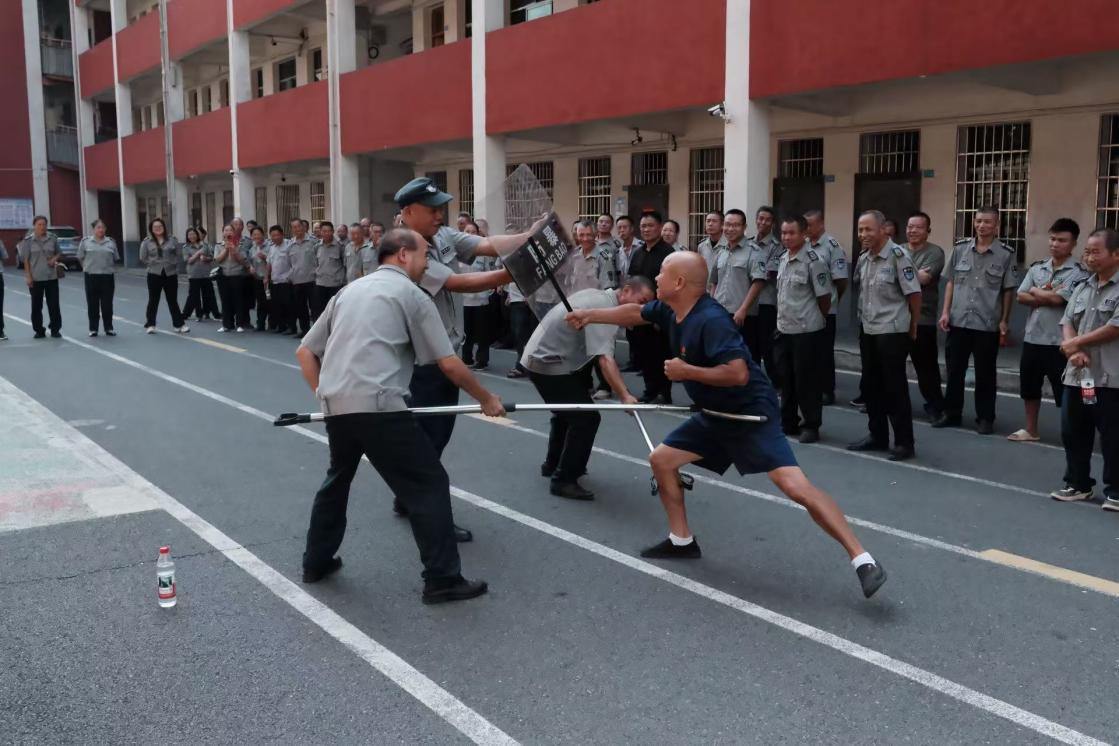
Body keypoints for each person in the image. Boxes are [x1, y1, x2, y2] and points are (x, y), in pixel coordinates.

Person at [566, 252, 887, 598]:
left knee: (794, 486)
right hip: (713, 414)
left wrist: (687, 372)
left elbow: (738, 373)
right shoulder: (670, 308)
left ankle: (864, 560)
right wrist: (589, 315)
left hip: (750, 415)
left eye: (661, 273)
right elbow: (634, 312)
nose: (654, 278)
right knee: (661, 460)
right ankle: (682, 540)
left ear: (678, 283)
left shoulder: (711, 320)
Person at [296, 228, 504, 603]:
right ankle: (442, 578)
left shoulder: (349, 290)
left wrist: (323, 395)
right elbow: (448, 363)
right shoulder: (412, 293)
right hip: (379, 407)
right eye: (425, 255)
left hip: (337, 406)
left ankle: (316, 561)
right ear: (404, 255)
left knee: (338, 479)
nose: (428, 263)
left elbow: (305, 353)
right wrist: (487, 398)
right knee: (429, 484)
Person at [395, 176, 540, 542]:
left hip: (447, 351)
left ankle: (408, 494)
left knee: (434, 438)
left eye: (442, 207)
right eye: (432, 210)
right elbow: (459, 284)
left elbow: (486, 244)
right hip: (424, 362)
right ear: (408, 212)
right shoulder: (406, 250)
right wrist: (517, 270)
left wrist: (530, 237)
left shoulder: (441, 236)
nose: (440, 215)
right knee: (430, 438)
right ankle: (427, 513)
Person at [525, 277, 656, 499]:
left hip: (546, 358)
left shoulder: (600, 296)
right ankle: (564, 479)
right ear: (625, 291)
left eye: (645, 306)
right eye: (640, 301)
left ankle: (553, 464)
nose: (640, 309)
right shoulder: (604, 309)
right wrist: (625, 395)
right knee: (586, 418)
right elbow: (605, 359)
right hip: (548, 361)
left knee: (567, 412)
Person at [1051, 227, 1119, 511]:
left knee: (1113, 435)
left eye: (1096, 251)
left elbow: (1115, 326)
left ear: (1116, 254)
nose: (1089, 257)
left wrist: (1075, 343)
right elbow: (1067, 320)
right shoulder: (1082, 286)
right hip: (1081, 377)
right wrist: (1074, 349)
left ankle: (1116, 490)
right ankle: (1078, 483)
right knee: (1074, 430)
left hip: (1110, 378)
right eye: (1087, 251)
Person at [934, 207, 1019, 434]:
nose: (983, 226)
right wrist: (945, 312)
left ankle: (985, 418)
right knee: (954, 371)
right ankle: (951, 413)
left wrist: (1004, 320)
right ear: (974, 222)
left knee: (985, 373)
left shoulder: (1005, 253)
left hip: (987, 324)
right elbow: (950, 282)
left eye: (988, 222)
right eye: (979, 221)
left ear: (997, 226)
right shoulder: (961, 249)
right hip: (958, 320)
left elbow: (1008, 290)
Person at [846, 211, 922, 461]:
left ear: (882, 230)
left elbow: (914, 294)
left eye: (868, 229)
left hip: (892, 330)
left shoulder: (898, 256)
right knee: (871, 386)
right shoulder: (864, 258)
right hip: (868, 328)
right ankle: (877, 436)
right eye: (860, 230)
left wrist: (913, 326)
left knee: (894, 388)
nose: (863, 235)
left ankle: (904, 442)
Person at [1010, 218, 1088, 442]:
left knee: (1067, 391)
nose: (1055, 244)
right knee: (1030, 388)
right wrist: (1044, 294)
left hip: (1061, 342)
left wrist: (1038, 292)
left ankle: (1073, 434)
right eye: (1053, 239)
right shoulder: (1037, 267)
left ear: (1073, 243)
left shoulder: (1079, 272)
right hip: (1034, 338)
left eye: (1062, 240)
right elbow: (1021, 296)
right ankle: (1031, 429)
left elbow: (1058, 300)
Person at [775, 214, 832, 443]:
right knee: (786, 380)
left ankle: (811, 425)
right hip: (785, 328)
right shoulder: (783, 258)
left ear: (804, 234)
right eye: (784, 233)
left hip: (807, 330)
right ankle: (788, 421)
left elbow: (824, 296)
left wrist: (817, 319)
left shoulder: (813, 260)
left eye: (792, 233)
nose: (787, 237)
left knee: (807, 382)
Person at [899, 212, 946, 420]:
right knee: (892, 366)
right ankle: (894, 404)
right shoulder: (897, 250)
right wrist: (911, 273)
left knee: (926, 367)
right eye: (910, 226)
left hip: (922, 319)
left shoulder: (935, 252)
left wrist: (901, 273)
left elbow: (923, 279)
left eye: (918, 227)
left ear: (928, 230)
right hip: (897, 318)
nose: (913, 231)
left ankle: (935, 406)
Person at [628, 212, 676, 403]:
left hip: (660, 311)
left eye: (650, 226)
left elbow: (672, 285)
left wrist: (663, 313)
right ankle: (650, 390)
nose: (646, 230)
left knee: (662, 352)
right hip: (639, 311)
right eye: (643, 226)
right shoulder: (638, 252)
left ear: (659, 227)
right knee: (644, 352)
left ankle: (665, 391)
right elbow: (631, 281)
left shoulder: (668, 254)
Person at [804, 210, 848, 405]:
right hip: (806, 309)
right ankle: (811, 387)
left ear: (821, 224)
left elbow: (841, 280)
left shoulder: (832, 246)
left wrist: (832, 300)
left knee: (824, 352)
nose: (806, 229)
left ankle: (826, 390)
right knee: (808, 352)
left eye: (810, 225)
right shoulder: (804, 245)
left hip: (825, 309)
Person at [711, 209, 766, 364]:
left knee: (746, 357)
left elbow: (758, 282)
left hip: (743, 316)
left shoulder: (754, 252)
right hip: (721, 313)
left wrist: (743, 309)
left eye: (736, 225)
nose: (730, 229)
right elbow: (714, 282)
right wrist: (712, 306)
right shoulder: (721, 252)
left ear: (744, 227)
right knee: (723, 356)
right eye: (727, 225)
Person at [139, 218, 187, 334]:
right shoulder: (147, 242)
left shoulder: (172, 240)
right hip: (154, 273)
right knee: (153, 300)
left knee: (172, 300)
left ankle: (179, 324)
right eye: (155, 227)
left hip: (170, 273)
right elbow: (143, 257)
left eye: (160, 226)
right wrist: (152, 264)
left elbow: (179, 254)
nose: (158, 228)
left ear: (164, 227)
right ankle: (150, 324)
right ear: (151, 229)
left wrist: (172, 263)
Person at [460, 222, 497, 371]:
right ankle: (466, 358)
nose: (470, 234)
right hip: (464, 299)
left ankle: (482, 360)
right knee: (466, 332)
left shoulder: (483, 254)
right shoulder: (458, 253)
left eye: (473, 231)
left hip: (481, 299)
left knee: (482, 333)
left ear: (478, 234)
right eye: (467, 231)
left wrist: (487, 291)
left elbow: (490, 272)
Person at [18, 216, 63, 338]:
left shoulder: (52, 239)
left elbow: (59, 253)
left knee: (54, 305)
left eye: (44, 224)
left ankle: (55, 329)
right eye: (39, 224)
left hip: (51, 277)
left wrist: (54, 258)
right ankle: (39, 330)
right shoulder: (28, 241)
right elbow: (25, 260)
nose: (42, 227)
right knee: (36, 306)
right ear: (34, 226)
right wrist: (28, 276)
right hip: (36, 278)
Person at [751, 205, 782, 381]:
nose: (763, 222)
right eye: (760, 218)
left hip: (765, 302)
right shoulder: (748, 243)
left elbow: (768, 274)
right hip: (748, 303)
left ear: (773, 223)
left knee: (767, 345)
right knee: (751, 344)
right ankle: (754, 380)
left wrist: (750, 274)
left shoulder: (777, 247)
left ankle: (777, 381)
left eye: (767, 219)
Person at [77, 219, 120, 337]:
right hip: (91, 276)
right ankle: (93, 328)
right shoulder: (85, 242)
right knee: (92, 304)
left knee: (107, 304)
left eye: (103, 227)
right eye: (98, 227)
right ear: (93, 229)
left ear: (105, 229)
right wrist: (86, 267)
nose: (101, 230)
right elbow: (80, 257)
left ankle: (109, 328)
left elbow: (115, 258)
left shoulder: (111, 242)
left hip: (107, 276)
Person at [215, 226, 251, 332]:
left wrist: (234, 249)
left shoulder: (239, 245)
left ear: (234, 233)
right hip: (223, 276)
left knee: (238, 300)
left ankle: (239, 324)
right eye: (226, 230)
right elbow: (218, 260)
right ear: (223, 233)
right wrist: (226, 248)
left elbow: (243, 261)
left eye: (230, 230)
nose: (228, 232)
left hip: (237, 275)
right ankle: (226, 324)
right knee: (225, 300)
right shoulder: (219, 245)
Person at [182, 227, 219, 322]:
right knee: (194, 295)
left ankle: (212, 313)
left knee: (209, 294)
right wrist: (198, 253)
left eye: (194, 234)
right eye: (190, 235)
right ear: (187, 236)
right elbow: (188, 261)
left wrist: (206, 258)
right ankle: (195, 314)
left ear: (197, 235)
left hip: (206, 273)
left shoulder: (205, 245)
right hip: (194, 274)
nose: (192, 236)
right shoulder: (186, 247)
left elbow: (211, 257)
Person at [288, 218, 317, 337]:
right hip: (297, 281)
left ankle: (316, 332)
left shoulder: (313, 242)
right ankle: (305, 330)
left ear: (303, 227)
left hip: (312, 280)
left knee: (315, 308)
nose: (297, 229)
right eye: (294, 227)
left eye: (298, 226)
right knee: (301, 308)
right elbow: (289, 263)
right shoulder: (290, 244)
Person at [311, 221, 345, 320]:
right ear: (320, 232)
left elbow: (344, 264)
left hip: (335, 284)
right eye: (324, 231)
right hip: (320, 283)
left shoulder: (340, 247)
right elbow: (315, 264)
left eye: (329, 231)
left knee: (334, 311)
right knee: (320, 311)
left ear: (333, 232)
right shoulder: (317, 247)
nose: (326, 233)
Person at [265, 224, 295, 335]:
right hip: (275, 281)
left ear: (282, 235)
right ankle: (281, 326)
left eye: (277, 235)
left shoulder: (289, 245)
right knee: (277, 305)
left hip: (286, 281)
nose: (275, 237)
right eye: (272, 235)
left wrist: (289, 277)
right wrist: (266, 277)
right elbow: (269, 263)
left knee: (289, 306)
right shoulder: (272, 248)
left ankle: (292, 327)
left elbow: (294, 263)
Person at [248, 226, 273, 331]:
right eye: (254, 234)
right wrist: (250, 268)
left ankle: (272, 324)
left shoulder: (270, 246)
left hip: (269, 278)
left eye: (258, 234)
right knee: (260, 302)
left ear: (263, 234)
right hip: (257, 279)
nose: (256, 236)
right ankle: (261, 324)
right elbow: (250, 262)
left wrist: (265, 257)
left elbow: (273, 260)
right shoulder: (252, 249)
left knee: (271, 302)